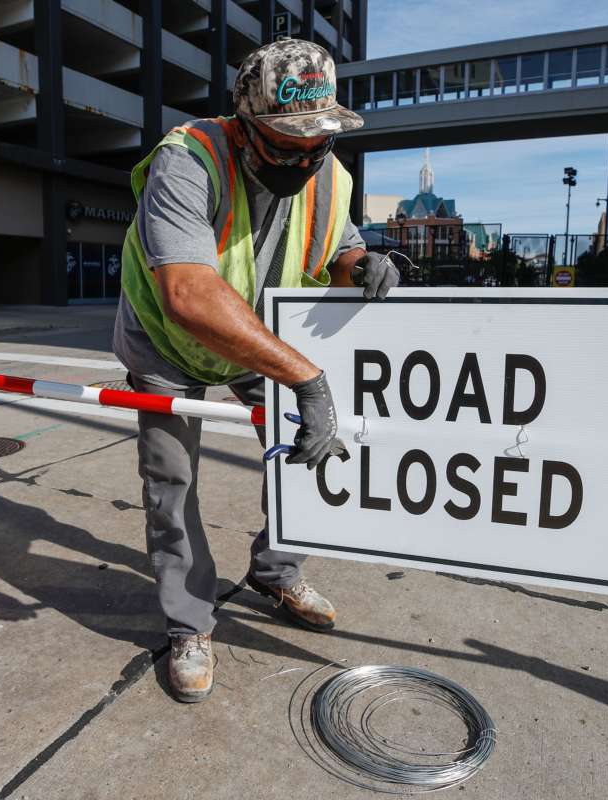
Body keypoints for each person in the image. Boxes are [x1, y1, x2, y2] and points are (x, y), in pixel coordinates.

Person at [113, 38, 400, 703]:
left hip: (256, 338)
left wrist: (364, 267)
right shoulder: (188, 162)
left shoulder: (331, 179)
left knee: (306, 451)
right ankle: (189, 620)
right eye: (284, 143)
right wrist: (306, 375)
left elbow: (338, 249)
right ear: (243, 126)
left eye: (316, 145)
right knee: (171, 480)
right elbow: (187, 293)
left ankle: (277, 570)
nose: (303, 159)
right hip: (169, 339)